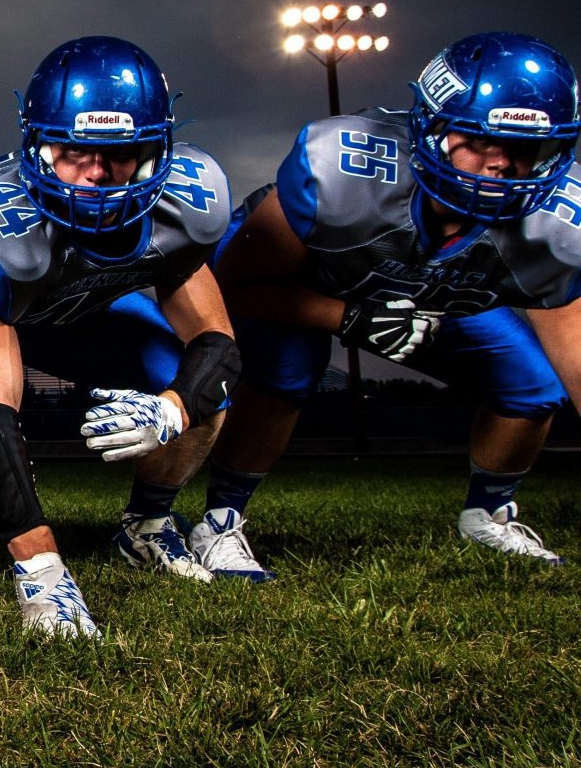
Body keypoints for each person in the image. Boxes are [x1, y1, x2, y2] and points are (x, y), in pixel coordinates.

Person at [0, 36, 242, 636]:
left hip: (80, 310)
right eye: (72, 150)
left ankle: (147, 524)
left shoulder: (189, 204)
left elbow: (217, 344)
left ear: (158, 150)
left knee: (203, 394)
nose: (96, 175)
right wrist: (42, 570)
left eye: (121, 152)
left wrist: (174, 407)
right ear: (36, 146)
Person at [193, 32, 581, 578]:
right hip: (306, 279)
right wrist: (348, 317)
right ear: (431, 126)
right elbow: (240, 282)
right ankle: (220, 519)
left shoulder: (560, 223)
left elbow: (574, 347)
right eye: (477, 139)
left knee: (533, 386)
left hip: (431, 290)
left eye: (525, 149)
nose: (499, 165)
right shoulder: (340, 166)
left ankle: (488, 515)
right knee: (287, 373)